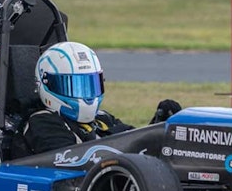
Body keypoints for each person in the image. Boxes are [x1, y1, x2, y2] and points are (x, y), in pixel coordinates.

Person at [12, 41, 181, 156]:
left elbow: (136, 142)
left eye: (89, 85)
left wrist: (159, 130)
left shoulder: (102, 119)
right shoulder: (41, 122)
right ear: (47, 83)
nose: (85, 94)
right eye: (74, 86)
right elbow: (73, 161)